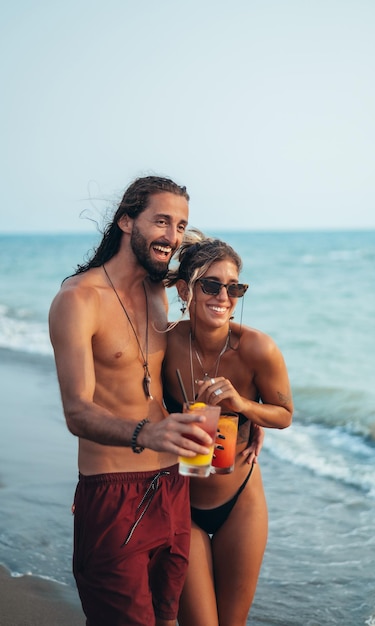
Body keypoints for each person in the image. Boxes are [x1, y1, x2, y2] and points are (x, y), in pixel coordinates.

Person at [48, 176, 215, 626]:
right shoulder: (78, 299)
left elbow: (220, 281)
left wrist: (252, 417)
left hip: (173, 486)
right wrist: (148, 431)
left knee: (165, 620)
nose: (172, 236)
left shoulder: (160, 291)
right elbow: (77, 411)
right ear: (126, 221)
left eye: (180, 226)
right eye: (161, 222)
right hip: (113, 493)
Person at [163, 231, 294, 626]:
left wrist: (243, 406)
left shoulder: (257, 349)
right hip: (183, 502)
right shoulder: (164, 343)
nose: (224, 297)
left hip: (240, 501)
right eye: (211, 284)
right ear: (185, 289)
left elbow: (285, 413)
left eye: (233, 287)